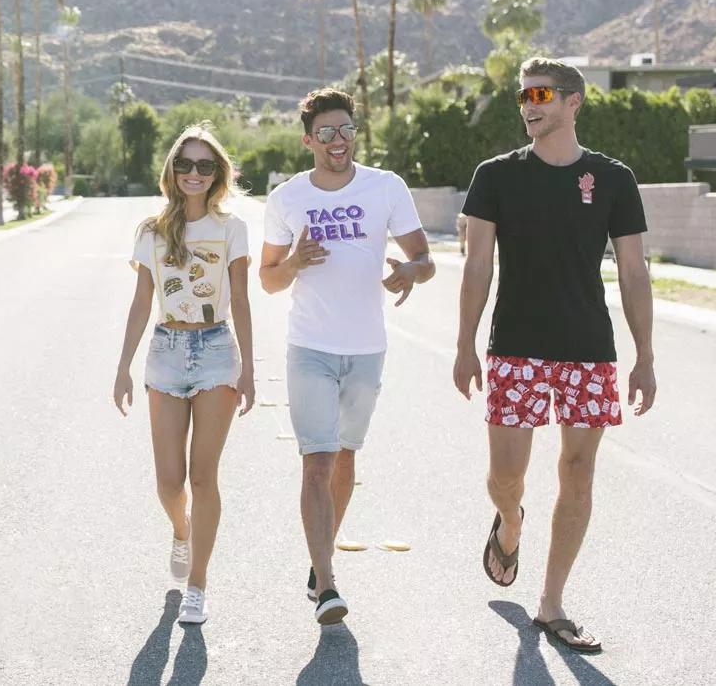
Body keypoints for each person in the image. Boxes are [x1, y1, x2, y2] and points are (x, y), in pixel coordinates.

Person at [454, 57, 656, 654]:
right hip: (514, 347)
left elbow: (634, 271)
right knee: (505, 476)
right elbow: (477, 266)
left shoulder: (613, 178)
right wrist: (465, 344)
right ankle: (510, 520)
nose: (527, 104)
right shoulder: (495, 175)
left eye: (539, 94)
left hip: (588, 351)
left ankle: (551, 603)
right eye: (522, 96)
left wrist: (645, 356)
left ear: (573, 101)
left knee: (578, 472)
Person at [259, 88, 434, 625]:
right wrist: (294, 262)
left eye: (346, 129)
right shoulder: (287, 197)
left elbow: (424, 258)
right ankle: (328, 585)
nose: (339, 140)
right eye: (327, 132)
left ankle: (320, 562)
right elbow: (268, 280)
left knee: (344, 457)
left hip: (366, 350)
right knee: (317, 460)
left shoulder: (386, 187)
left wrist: (410, 271)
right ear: (308, 140)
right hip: (309, 346)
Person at [113, 125, 256, 625]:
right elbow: (141, 301)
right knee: (169, 483)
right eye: (185, 164)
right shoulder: (151, 231)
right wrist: (123, 367)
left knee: (204, 476)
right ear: (172, 170)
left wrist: (249, 369)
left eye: (204, 165)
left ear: (217, 174)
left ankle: (197, 585)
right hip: (166, 352)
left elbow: (241, 300)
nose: (194, 174)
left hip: (216, 351)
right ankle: (182, 530)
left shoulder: (232, 228)